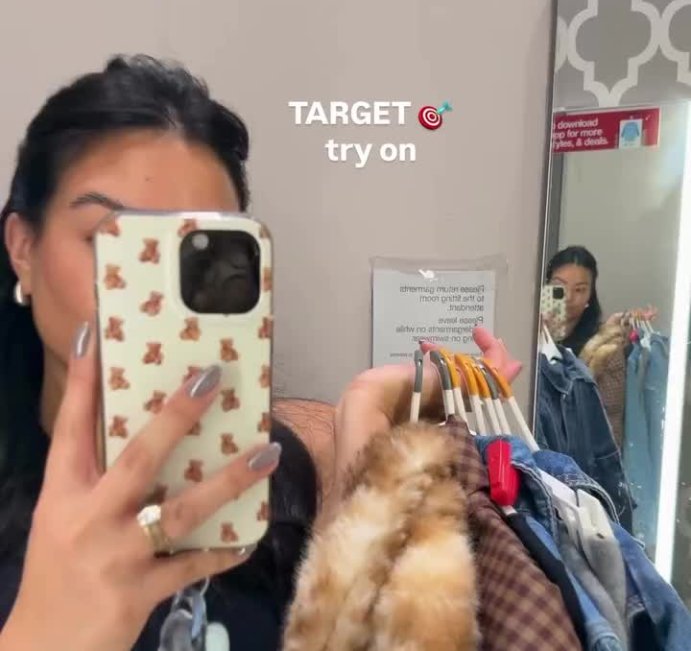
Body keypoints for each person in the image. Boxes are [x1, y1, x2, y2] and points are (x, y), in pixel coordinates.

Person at [0, 55, 521, 651]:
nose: (148, 299)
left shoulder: (274, 478)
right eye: (112, 242)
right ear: (23, 249)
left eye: (200, 254)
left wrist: (365, 415)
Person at [546, 246, 603, 356]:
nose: (568, 297)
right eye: (559, 285)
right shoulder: (527, 330)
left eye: (579, 290)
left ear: (590, 295)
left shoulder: (598, 346)